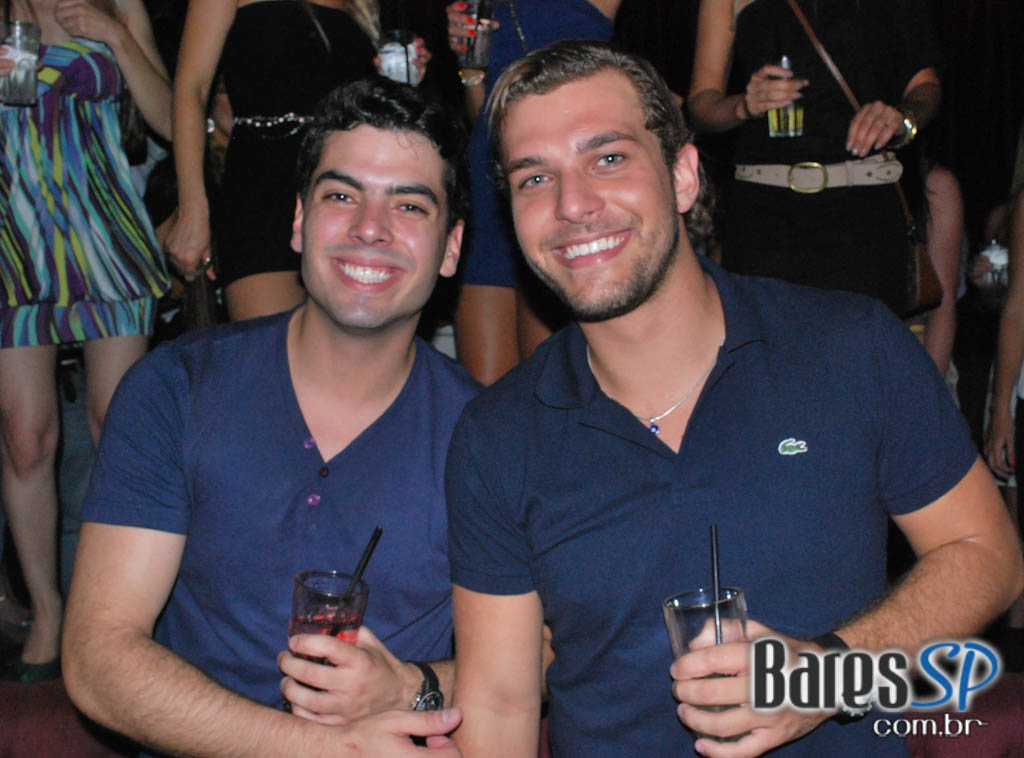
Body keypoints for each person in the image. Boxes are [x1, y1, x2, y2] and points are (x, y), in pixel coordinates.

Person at [445, 40, 1024, 758]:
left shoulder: (850, 346)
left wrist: (822, 677)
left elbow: (986, 553)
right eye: (535, 178)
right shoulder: (497, 436)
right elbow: (500, 701)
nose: (573, 205)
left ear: (683, 176)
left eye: (609, 158)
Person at [62, 77, 474, 757]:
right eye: (341, 196)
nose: (370, 228)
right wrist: (323, 750)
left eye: (408, 205)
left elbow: (553, 647)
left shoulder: (485, 434)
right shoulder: (178, 388)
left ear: (451, 247)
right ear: (299, 221)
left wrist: (414, 685)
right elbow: (98, 657)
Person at [0, 0, 170, 682]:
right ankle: (48, 611)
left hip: (106, 232)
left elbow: (169, 118)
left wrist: (117, 37)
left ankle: (122, 610)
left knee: (117, 427)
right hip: (13, 238)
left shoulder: (116, 3)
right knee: (25, 437)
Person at [687, 0, 941, 316]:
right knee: (765, 340)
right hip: (764, 213)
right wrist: (743, 106)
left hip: (862, 210)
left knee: (861, 341)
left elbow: (925, 86)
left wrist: (903, 118)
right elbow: (701, 104)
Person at [168, 0, 394, 320]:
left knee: (349, 343)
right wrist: (192, 208)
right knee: (269, 343)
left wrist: (398, 79)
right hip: (262, 184)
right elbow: (192, 88)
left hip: (345, 190)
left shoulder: (360, 5)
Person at [446, 0, 621, 385]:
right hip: (489, 185)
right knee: (484, 391)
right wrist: (470, 66)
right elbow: (484, 115)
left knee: (553, 383)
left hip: (558, 186)